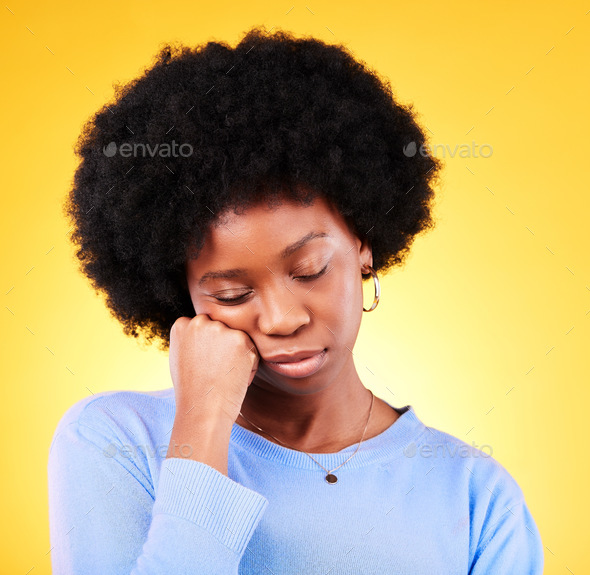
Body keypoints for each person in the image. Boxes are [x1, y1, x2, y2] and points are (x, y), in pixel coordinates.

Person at [48, 26, 544, 574]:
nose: (282, 318)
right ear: (181, 294)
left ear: (363, 248)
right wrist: (202, 422)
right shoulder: (116, 441)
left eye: (309, 270)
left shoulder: (476, 496)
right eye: (232, 293)